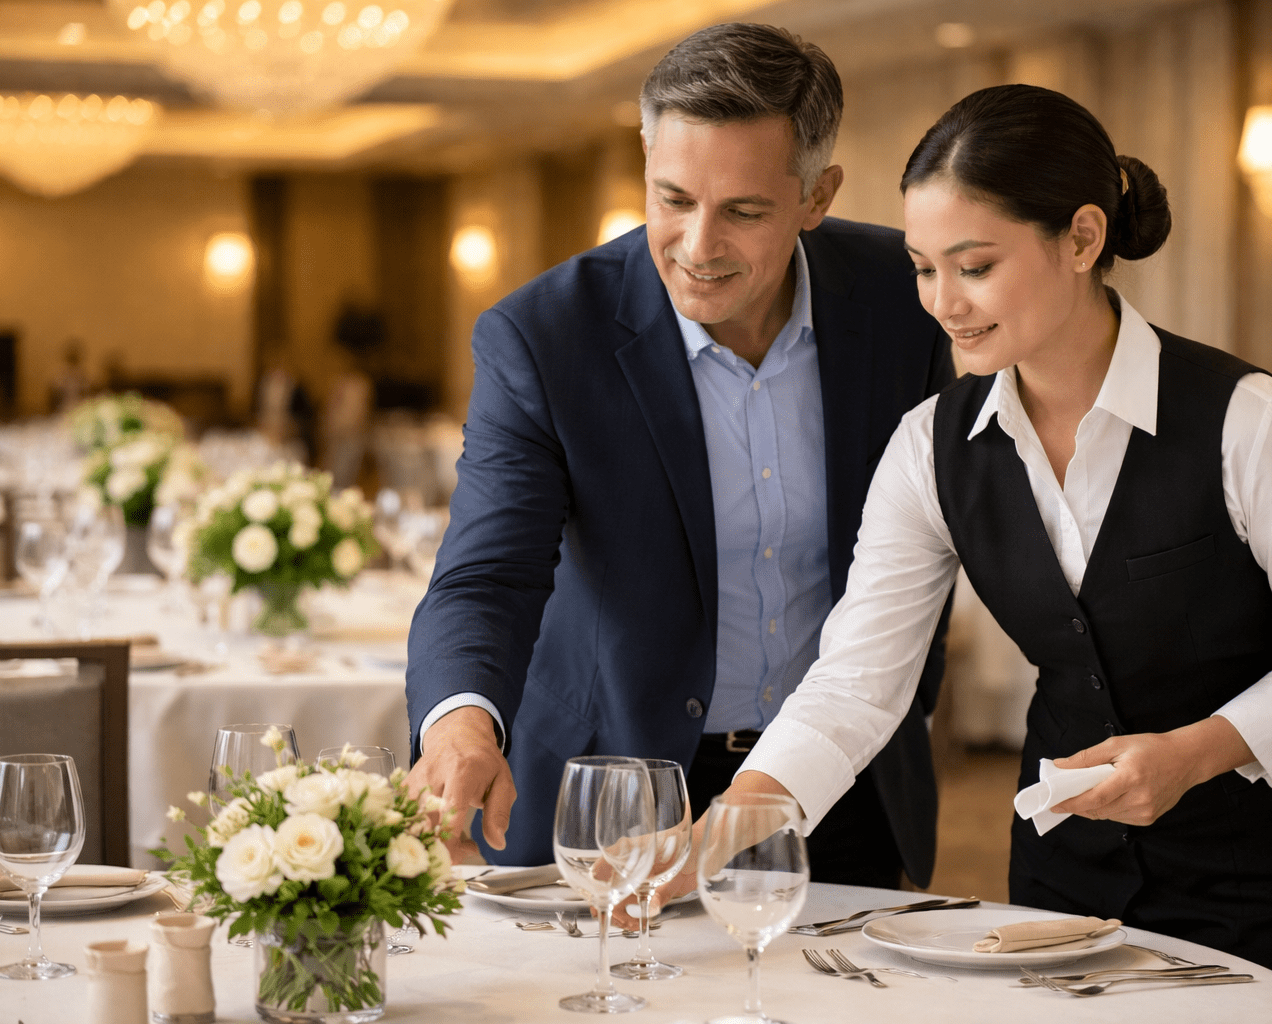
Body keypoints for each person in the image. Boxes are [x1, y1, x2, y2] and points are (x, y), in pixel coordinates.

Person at [699, 85, 1272, 1016]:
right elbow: (859, 680)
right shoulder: (928, 446)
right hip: (1066, 872)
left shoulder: (1250, 421)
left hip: (1261, 875)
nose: (943, 304)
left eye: (975, 266)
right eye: (921, 268)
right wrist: (727, 824)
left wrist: (1191, 754)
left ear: (1080, 238)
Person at [403, 23, 954, 889]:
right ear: (647, 162)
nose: (697, 247)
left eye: (743, 210)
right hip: (615, 787)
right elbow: (487, 575)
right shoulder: (547, 335)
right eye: (672, 199)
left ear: (818, 195)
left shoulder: (905, 297)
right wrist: (461, 725)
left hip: (843, 783)